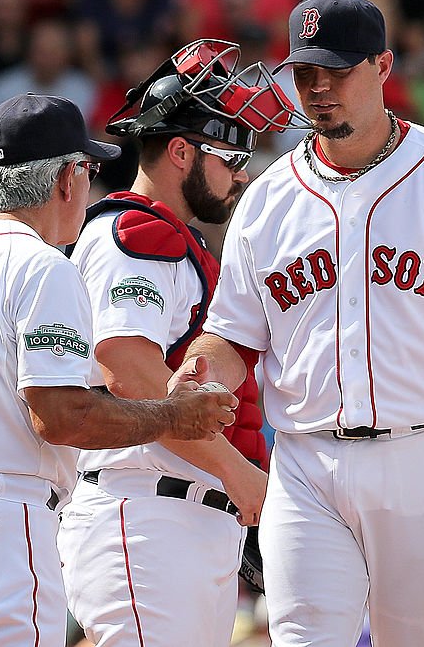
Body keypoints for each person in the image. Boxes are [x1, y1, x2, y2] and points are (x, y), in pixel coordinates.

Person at [171, 0, 424, 647]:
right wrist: (200, 368)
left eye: (337, 70)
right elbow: (233, 335)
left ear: (384, 67)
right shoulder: (270, 197)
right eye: (306, 73)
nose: (319, 87)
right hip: (306, 466)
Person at [0, 93, 238, 647]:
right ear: (68, 179)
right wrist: (172, 414)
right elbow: (63, 417)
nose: (92, 184)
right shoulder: (41, 264)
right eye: (88, 168)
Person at [56, 39, 305, 647]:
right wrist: (238, 472)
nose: (240, 174)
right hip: (146, 512)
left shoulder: (170, 238)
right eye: (229, 156)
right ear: (179, 151)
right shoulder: (137, 234)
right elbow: (131, 376)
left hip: (179, 516)